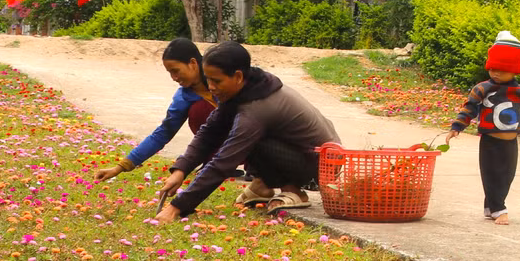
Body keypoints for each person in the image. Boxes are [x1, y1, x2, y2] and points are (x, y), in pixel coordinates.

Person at [154, 41, 340, 222]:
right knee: (239, 131)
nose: (210, 86)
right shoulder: (247, 90)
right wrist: (180, 169)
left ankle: (293, 190)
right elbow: (208, 133)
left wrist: (177, 207)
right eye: (208, 78)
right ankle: (263, 185)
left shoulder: (257, 108)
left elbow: (224, 162)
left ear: (238, 77)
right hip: (304, 155)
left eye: (216, 80)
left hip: (320, 166)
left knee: (245, 137)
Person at [448, 31, 520, 225]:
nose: (496, 73)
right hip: (490, 141)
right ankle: (500, 209)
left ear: (515, 70)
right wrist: (457, 126)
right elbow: (470, 108)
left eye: (502, 69)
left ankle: (490, 206)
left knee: (507, 176)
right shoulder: (482, 88)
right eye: (493, 69)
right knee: (490, 174)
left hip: (511, 142)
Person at [95, 38, 217, 182]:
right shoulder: (184, 97)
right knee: (198, 110)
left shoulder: (222, 74)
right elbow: (162, 134)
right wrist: (120, 167)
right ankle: (216, 159)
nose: (173, 78)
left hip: (246, 132)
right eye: (169, 73)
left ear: (193, 63)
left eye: (175, 71)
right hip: (227, 141)